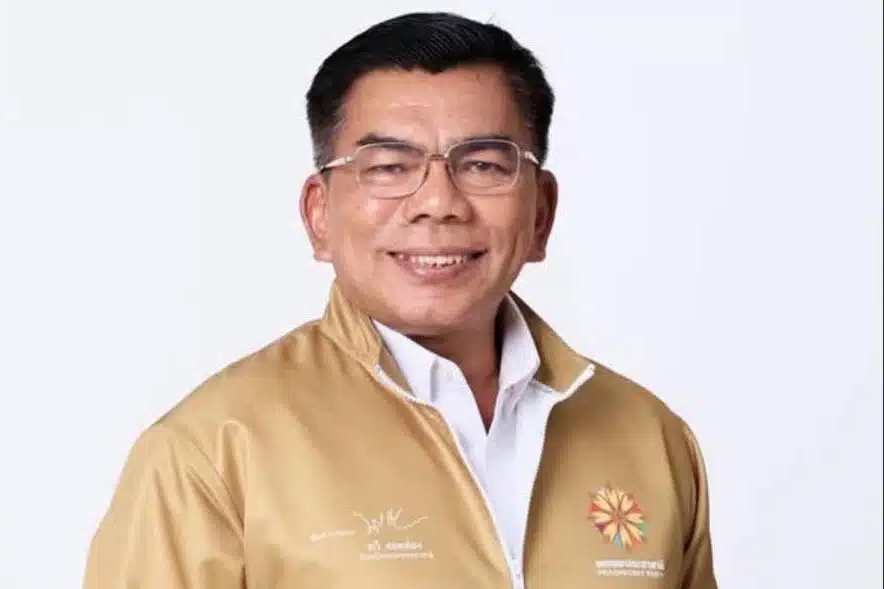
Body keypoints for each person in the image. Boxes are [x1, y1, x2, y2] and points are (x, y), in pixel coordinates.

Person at [82, 11, 718, 589]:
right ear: (319, 215)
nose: (437, 202)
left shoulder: (650, 439)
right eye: (389, 166)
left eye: (483, 165)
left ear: (541, 214)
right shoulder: (210, 454)